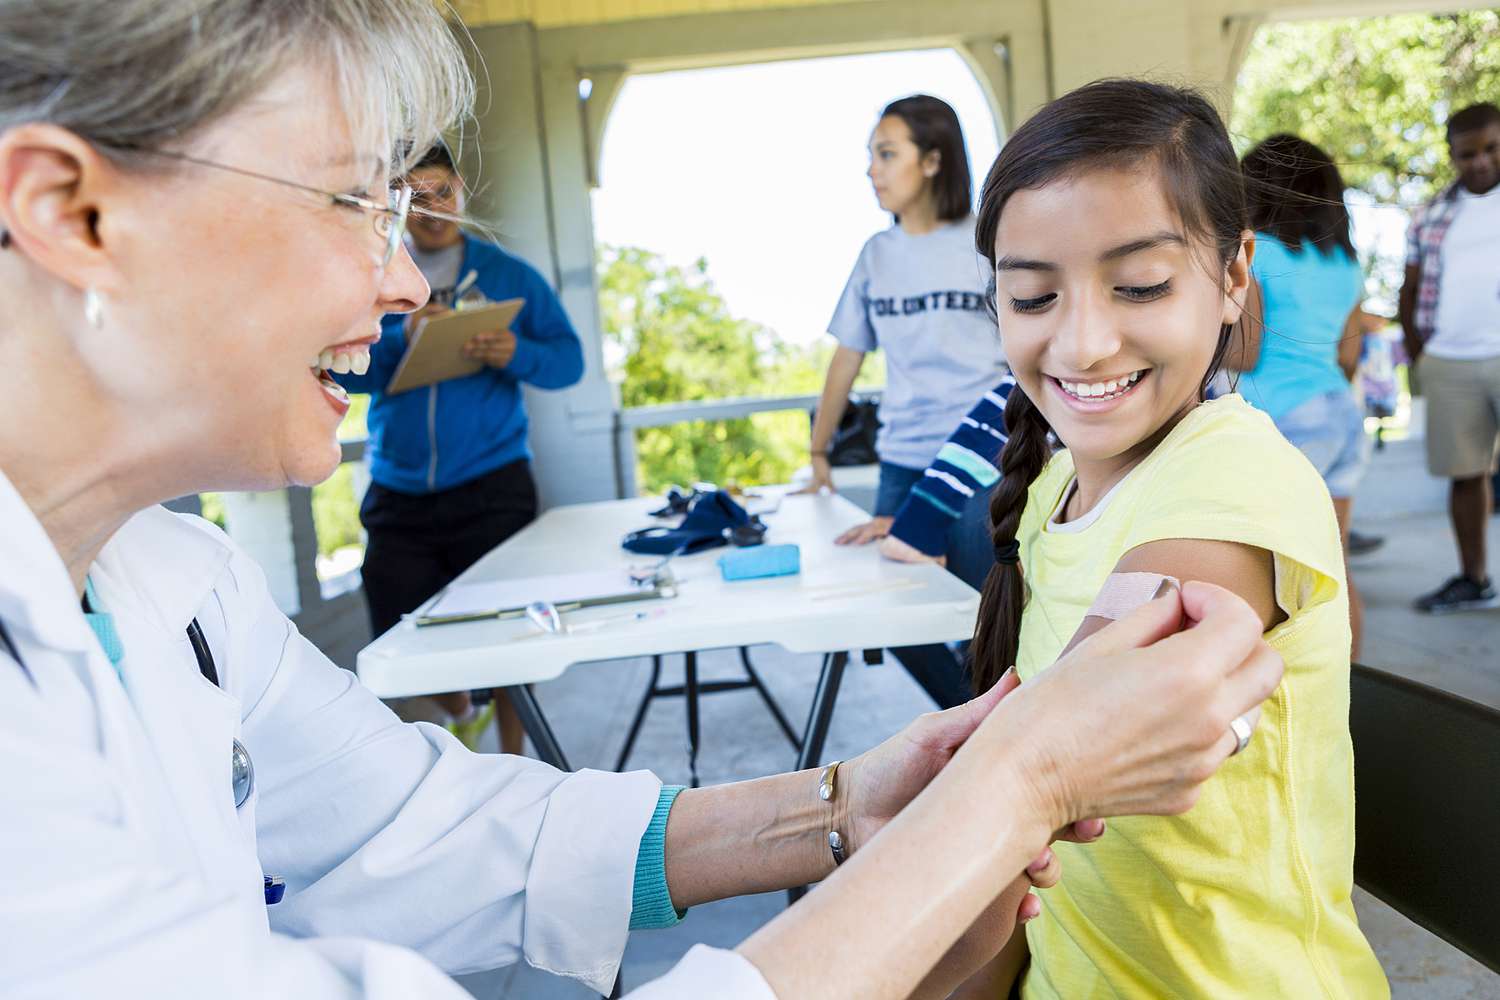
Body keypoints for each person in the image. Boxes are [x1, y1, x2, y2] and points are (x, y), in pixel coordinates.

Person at [0, 4, 1288, 997]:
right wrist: (1016, 780)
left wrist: (841, 803)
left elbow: (424, 821)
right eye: (355, 200)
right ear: (72, 212)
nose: (402, 277)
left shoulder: (169, 576)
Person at [946, 81, 1388, 998]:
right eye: (1032, 297)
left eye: (1139, 285)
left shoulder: (1232, 485)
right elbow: (1009, 858)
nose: (1082, 344)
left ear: (1232, 278)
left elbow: (1043, 762)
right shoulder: (1055, 485)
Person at [336, 141, 585, 753]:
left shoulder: (508, 274)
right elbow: (343, 370)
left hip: (492, 482)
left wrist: (515, 354)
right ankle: (461, 709)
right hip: (398, 489)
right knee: (399, 628)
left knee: (510, 637)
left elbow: (569, 362)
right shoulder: (378, 276)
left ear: (461, 189)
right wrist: (397, 340)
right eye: (411, 197)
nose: (429, 209)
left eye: (440, 192)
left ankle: (518, 765)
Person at [802, 94, 1008, 709]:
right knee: (897, 615)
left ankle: (993, 738)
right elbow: (847, 356)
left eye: (887, 154)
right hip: (903, 460)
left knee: (979, 611)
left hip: (982, 460)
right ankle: (976, 724)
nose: (873, 169)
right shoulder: (876, 255)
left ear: (933, 161)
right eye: (871, 156)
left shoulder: (986, 242)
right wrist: (818, 452)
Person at [1228, 134, 1370, 658]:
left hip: (1282, 421)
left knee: (1272, 574)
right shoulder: (1346, 266)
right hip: (1340, 416)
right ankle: (1353, 684)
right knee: (1335, 562)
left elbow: (1244, 353)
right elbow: (1348, 357)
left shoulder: (1255, 253)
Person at [1398, 101, 1500, 613]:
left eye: (1491, 148)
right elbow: (1409, 288)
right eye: (1467, 153)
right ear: (1452, 155)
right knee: (1466, 473)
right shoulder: (1432, 213)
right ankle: (1473, 579)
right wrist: (1421, 356)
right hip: (1450, 361)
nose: (1480, 161)